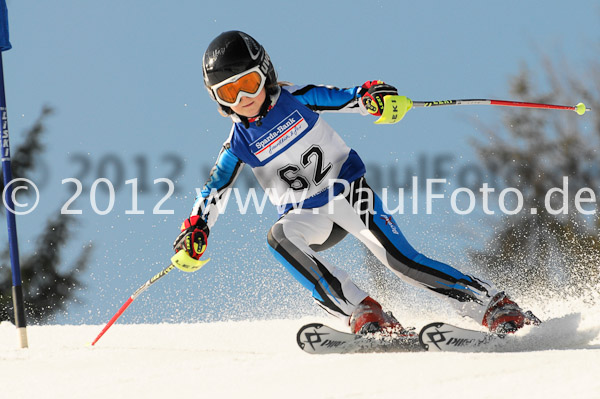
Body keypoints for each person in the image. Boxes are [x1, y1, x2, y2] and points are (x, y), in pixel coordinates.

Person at [173, 30, 540, 335]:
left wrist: (374, 98)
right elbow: (214, 191)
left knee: (399, 260)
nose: (244, 99)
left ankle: (493, 305)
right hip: (306, 213)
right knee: (279, 238)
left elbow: (348, 97)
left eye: (249, 84)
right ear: (218, 100)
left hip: (347, 192)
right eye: (228, 94)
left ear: (265, 72)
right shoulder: (237, 144)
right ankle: (363, 311)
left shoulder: (294, 99)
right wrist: (197, 229)